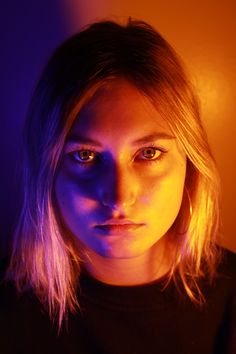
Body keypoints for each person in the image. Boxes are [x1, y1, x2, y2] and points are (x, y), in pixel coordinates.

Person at [0, 18, 235, 354]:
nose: (119, 198)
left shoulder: (229, 302)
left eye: (149, 153)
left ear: (191, 162)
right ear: (47, 170)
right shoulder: (10, 314)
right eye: (84, 155)